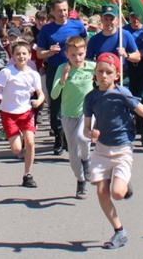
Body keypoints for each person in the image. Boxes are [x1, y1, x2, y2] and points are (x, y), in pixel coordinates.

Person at [83, 52, 143, 250]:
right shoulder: (91, 98)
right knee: (101, 192)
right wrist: (91, 132)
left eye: (109, 72)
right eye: (100, 71)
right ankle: (119, 231)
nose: (104, 76)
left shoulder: (122, 93)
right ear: (95, 74)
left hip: (122, 148)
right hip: (101, 150)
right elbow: (85, 128)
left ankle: (124, 188)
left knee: (116, 193)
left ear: (116, 75)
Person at [36, 0, 87, 155]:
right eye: (59, 10)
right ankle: (58, 136)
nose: (63, 13)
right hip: (55, 68)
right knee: (55, 101)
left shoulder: (77, 25)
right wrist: (50, 51)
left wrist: (83, 57)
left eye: (65, 10)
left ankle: (73, 135)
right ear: (53, 12)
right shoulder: (46, 29)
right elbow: (39, 53)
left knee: (76, 100)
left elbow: (84, 41)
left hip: (75, 68)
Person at [0, 41, 45, 187]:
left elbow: (41, 94)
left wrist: (39, 101)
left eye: (24, 53)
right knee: (16, 149)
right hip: (9, 112)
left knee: (31, 142)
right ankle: (18, 136)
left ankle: (28, 174)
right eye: (18, 54)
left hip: (26, 112)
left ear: (29, 56)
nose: (21, 56)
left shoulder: (34, 74)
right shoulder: (7, 72)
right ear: (13, 56)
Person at [50, 36, 96, 198]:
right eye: (73, 55)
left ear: (85, 53)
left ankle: (87, 160)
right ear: (67, 55)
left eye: (81, 54)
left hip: (87, 113)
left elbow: (108, 76)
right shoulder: (63, 68)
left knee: (82, 138)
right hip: (68, 114)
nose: (78, 58)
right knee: (72, 153)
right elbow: (54, 95)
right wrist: (62, 79)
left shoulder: (92, 67)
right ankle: (80, 180)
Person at [123, 10, 143, 146]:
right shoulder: (124, 31)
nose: (135, 19)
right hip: (128, 68)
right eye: (132, 16)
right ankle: (135, 124)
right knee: (130, 97)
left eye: (137, 16)